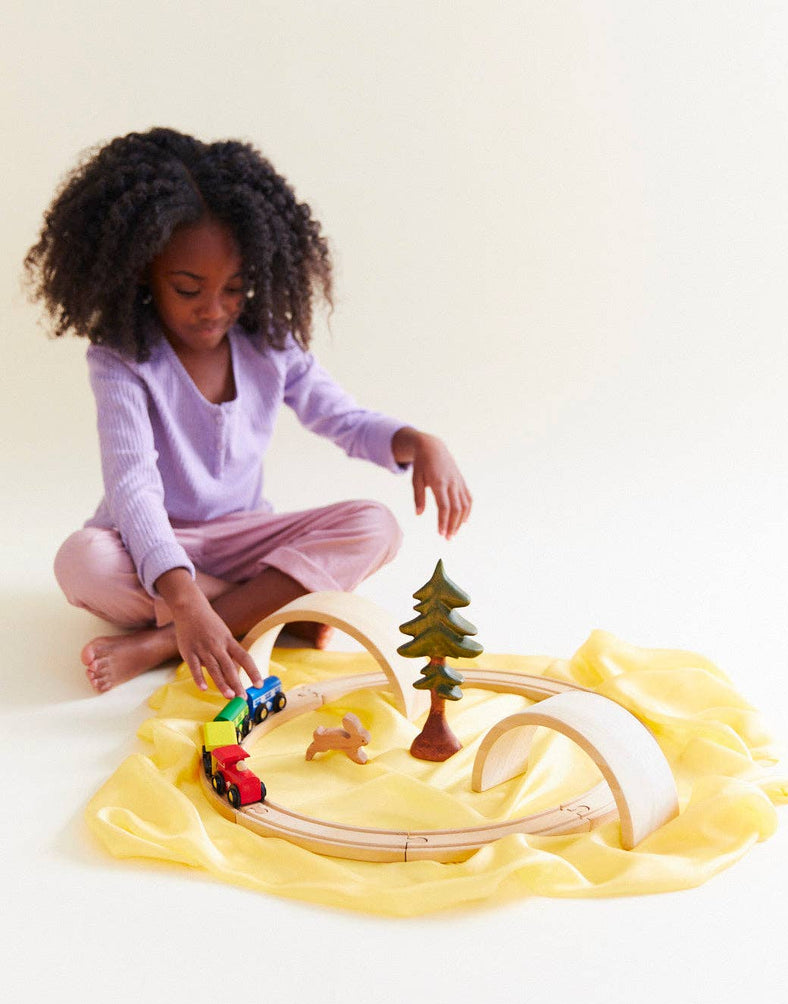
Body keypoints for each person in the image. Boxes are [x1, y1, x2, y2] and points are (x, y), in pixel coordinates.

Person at [25, 128, 471, 698]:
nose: (214, 310)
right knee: (81, 562)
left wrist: (419, 441)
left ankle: (161, 643)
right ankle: (274, 603)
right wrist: (183, 596)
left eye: (234, 288)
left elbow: (346, 421)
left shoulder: (271, 345)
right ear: (143, 273)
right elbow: (132, 486)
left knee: (375, 525)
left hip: (246, 535)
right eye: (189, 289)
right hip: (155, 539)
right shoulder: (121, 358)